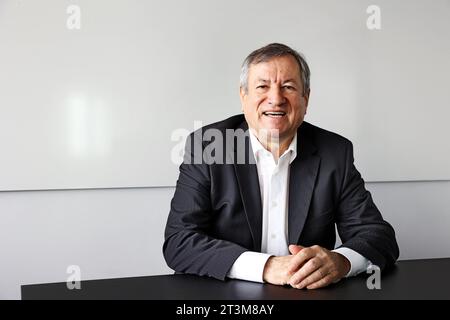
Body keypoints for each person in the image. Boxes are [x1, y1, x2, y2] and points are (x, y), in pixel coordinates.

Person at [163, 43, 399, 289]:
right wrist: (266, 266)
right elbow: (179, 242)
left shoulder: (334, 152)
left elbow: (378, 237)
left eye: (288, 87)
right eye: (262, 86)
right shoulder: (208, 146)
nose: (275, 99)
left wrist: (341, 261)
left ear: (305, 99)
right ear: (243, 97)